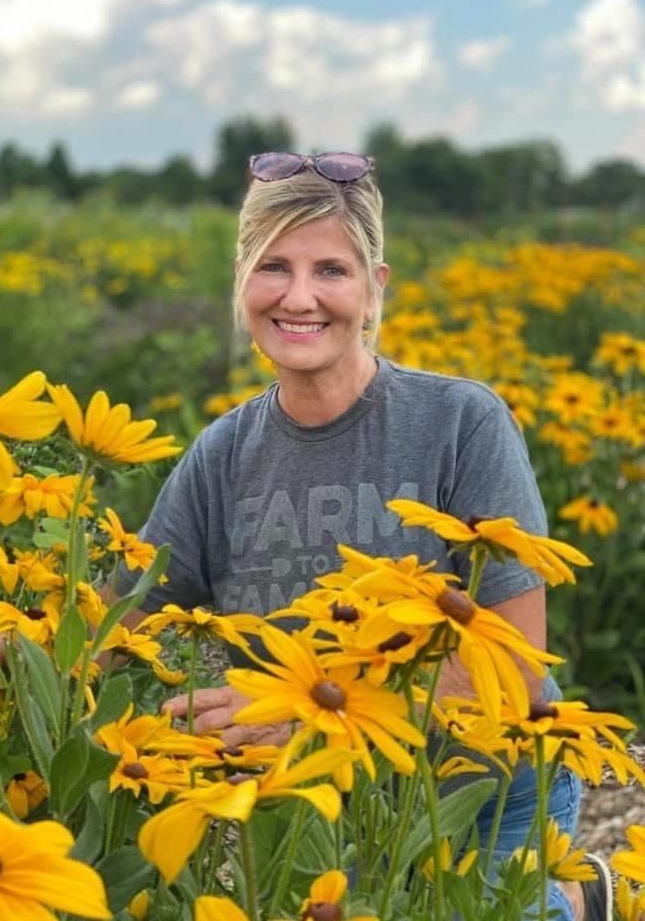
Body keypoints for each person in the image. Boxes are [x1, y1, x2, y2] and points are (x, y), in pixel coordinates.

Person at [110, 151, 607, 920]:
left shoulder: (459, 424)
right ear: (240, 282)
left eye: (331, 271)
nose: (299, 297)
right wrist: (26, 647)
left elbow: (510, 666)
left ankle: (574, 894)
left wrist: (304, 719)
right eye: (273, 266)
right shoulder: (223, 454)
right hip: (314, 807)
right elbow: (120, 617)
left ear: (375, 289)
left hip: (476, 787)